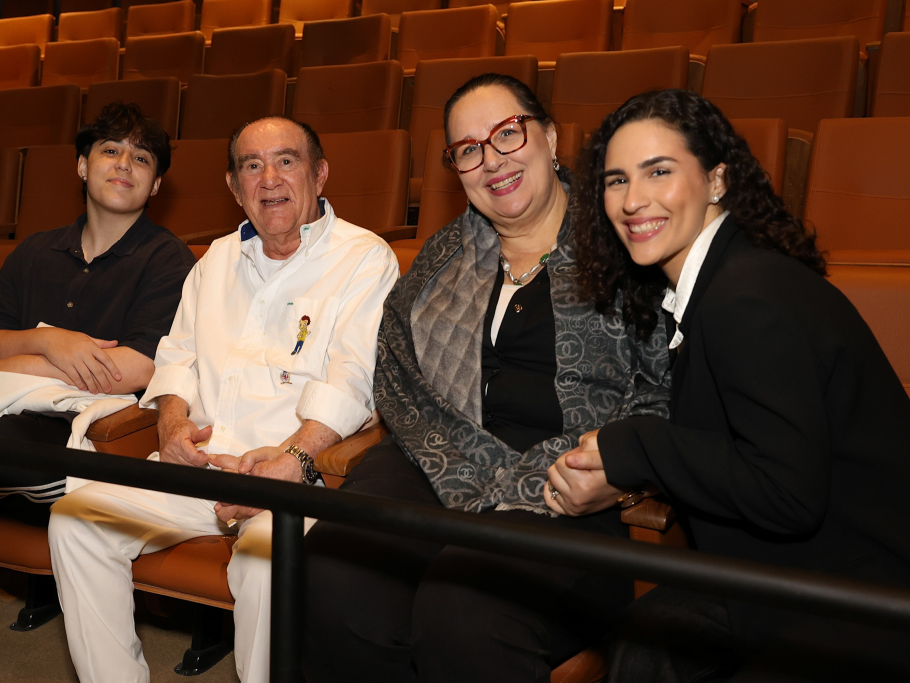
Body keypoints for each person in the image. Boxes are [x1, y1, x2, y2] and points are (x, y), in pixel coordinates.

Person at [301, 74, 671, 683]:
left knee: (463, 608)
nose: (491, 160)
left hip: (574, 482)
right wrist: (465, 462)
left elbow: (668, 383)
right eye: (468, 149)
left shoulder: (626, 242)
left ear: (549, 138)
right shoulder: (442, 256)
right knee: (333, 571)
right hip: (438, 454)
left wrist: (623, 467)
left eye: (507, 133)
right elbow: (394, 369)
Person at [566, 88, 910, 681]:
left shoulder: (745, 297)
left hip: (865, 598)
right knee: (641, 646)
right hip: (790, 574)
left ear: (717, 179)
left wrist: (634, 446)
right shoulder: (722, 278)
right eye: (616, 180)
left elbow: (786, 496)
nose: (633, 199)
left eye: (659, 171)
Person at [48, 116, 399, 683]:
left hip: (292, 478)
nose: (269, 178)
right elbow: (177, 358)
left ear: (320, 174)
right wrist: (172, 424)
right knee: (75, 519)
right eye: (251, 166)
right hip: (199, 466)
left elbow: (356, 378)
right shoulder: (212, 261)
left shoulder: (364, 258)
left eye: (287, 161)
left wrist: (292, 461)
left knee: (266, 564)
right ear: (234, 188)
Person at [0, 102, 195, 682]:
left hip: (81, 444)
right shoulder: (34, 251)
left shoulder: (168, 260)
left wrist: (22, 357)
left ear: (156, 184)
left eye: (141, 157)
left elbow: (133, 369)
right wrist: (54, 344)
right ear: (81, 166)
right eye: (109, 150)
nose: (123, 164)